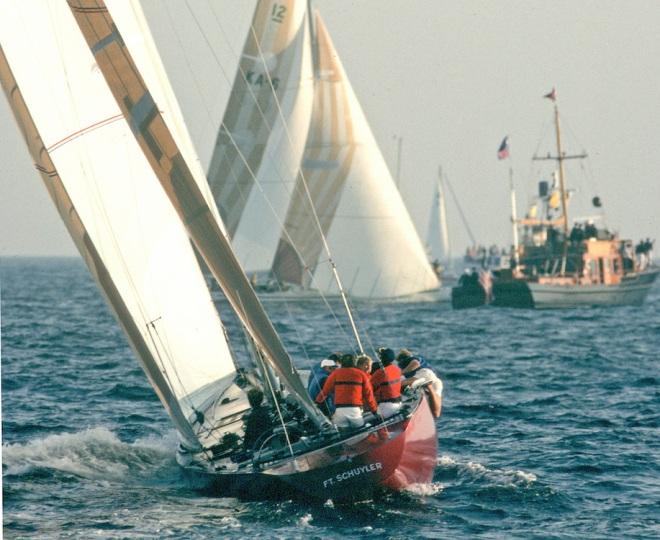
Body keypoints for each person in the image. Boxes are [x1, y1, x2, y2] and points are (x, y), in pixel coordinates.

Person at [315, 353, 377, 429]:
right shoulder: (361, 374)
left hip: (340, 412)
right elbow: (369, 395)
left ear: (342, 363)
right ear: (354, 363)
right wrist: (374, 411)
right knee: (362, 429)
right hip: (355, 411)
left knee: (340, 433)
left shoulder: (335, 373)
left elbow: (325, 392)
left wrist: (317, 403)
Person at [396, 349, 443, 418]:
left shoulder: (408, 359)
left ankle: (404, 403)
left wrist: (400, 373)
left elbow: (415, 364)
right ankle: (429, 387)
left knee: (396, 386)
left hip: (424, 374)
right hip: (435, 380)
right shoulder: (420, 359)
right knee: (436, 414)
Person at [371, 348, 403, 418]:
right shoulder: (397, 370)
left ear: (381, 359)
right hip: (399, 404)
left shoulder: (379, 372)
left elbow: (368, 388)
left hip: (386, 408)